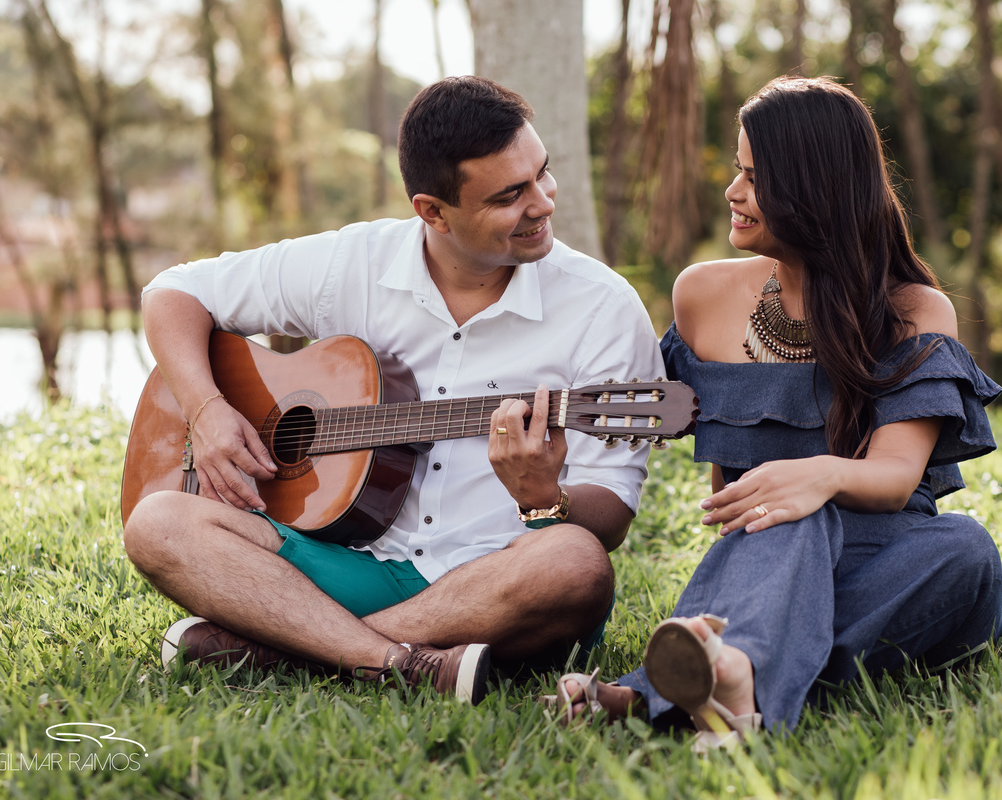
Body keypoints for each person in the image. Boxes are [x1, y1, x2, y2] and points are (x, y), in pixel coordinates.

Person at [121, 76, 665, 705]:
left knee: (574, 562)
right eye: (509, 195)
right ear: (432, 211)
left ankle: (284, 647)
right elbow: (174, 292)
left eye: (542, 174)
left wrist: (546, 497)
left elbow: (614, 512)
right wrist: (208, 410)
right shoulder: (355, 262)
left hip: (493, 585)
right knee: (158, 523)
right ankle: (396, 661)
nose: (542, 203)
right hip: (340, 564)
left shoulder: (602, 308)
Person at [553, 76, 1002, 749]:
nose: (733, 191)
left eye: (754, 177)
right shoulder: (702, 296)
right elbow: (639, 410)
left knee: (967, 549)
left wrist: (818, 477)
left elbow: (896, 477)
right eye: (738, 170)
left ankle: (674, 686)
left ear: (814, 189)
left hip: (890, 557)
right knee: (783, 510)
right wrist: (539, 444)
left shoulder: (913, 311)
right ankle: (727, 684)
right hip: (764, 555)